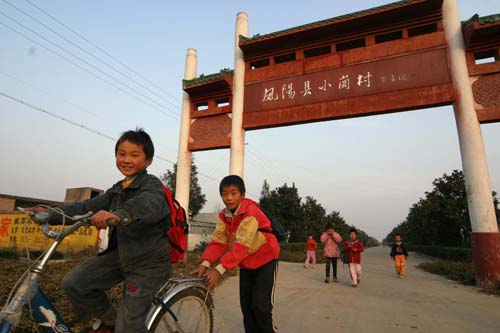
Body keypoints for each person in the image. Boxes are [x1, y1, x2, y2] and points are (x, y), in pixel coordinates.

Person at [28, 129, 171, 333]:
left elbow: (147, 204)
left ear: (148, 161)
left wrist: (120, 214)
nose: (126, 159)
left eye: (134, 154)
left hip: (149, 263)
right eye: (122, 154)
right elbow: (85, 207)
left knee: (129, 324)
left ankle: (122, 326)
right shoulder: (117, 189)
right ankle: (110, 323)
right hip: (121, 255)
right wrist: (50, 213)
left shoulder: (152, 185)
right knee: (74, 283)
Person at [191, 175, 280, 333]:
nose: (229, 198)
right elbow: (218, 242)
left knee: (261, 307)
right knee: (247, 309)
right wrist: (205, 263)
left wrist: (219, 270)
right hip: (246, 262)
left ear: (243, 195)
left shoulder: (251, 212)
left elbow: (241, 246)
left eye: (233, 193)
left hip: (266, 259)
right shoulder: (224, 215)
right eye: (225, 194)